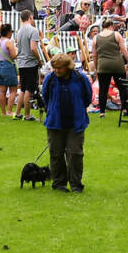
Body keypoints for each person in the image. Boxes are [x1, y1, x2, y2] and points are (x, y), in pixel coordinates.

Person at [41, 53, 92, 192]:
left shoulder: (81, 79)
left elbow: (88, 97)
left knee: (75, 154)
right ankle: (59, 184)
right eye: (55, 68)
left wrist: (79, 108)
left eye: (60, 68)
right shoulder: (50, 79)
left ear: (68, 67)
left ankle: (76, 184)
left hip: (76, 123)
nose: (56, 71)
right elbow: (45, 97)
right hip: (55, 123)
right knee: (56, 155)